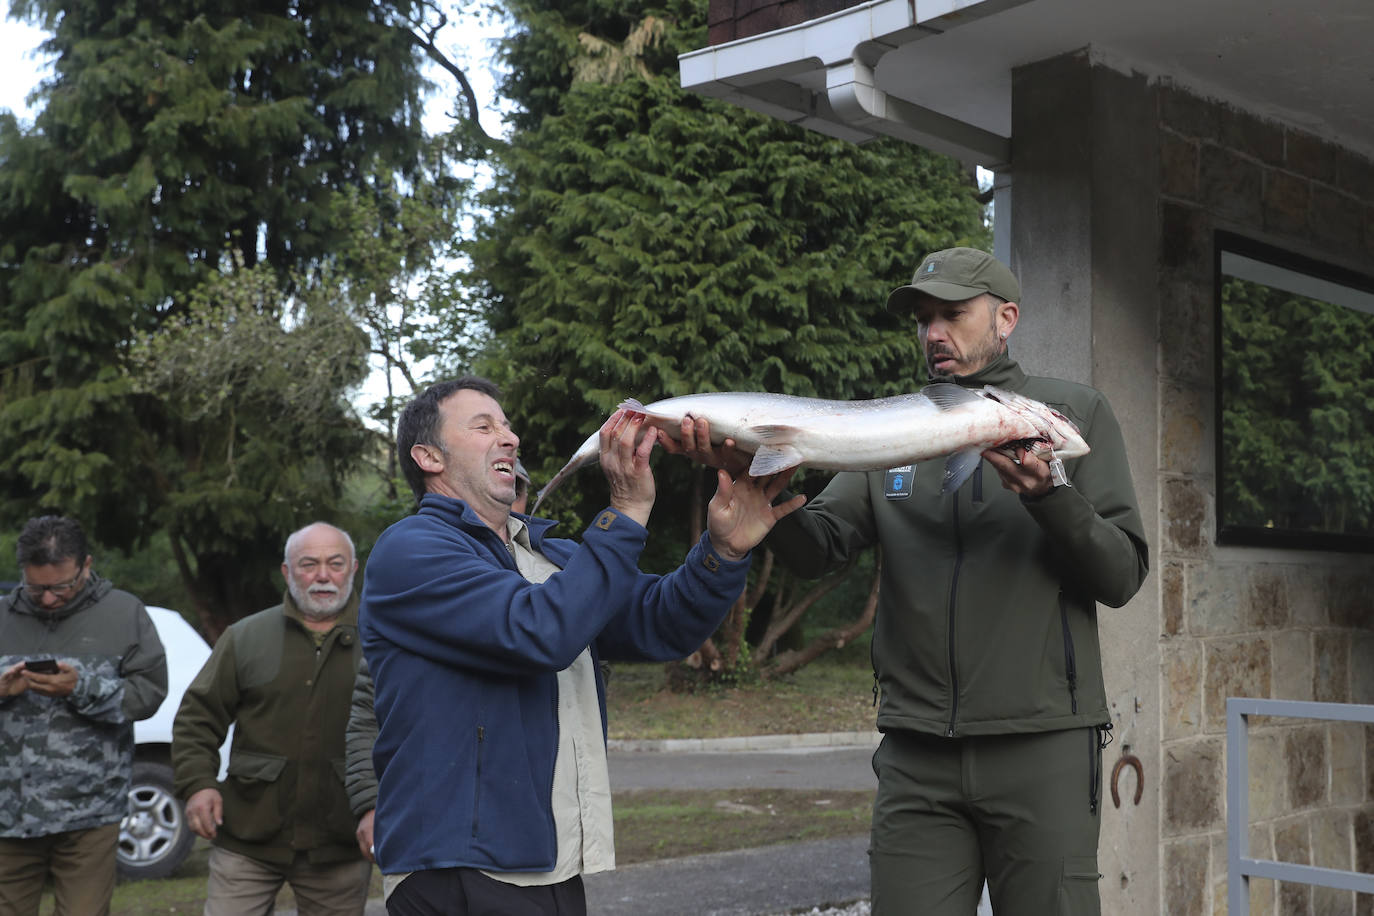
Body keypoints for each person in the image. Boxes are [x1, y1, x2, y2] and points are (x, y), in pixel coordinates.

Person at [669, 247, 1150, 915]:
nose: (933, 334)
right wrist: (765, 514)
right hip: (917, 755)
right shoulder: (892, 429)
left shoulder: (1070, 415)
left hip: (1042, 746)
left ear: (1005, 318)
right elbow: (822, 546)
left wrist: (1051, 497)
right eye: (924, 319)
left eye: (953, 314)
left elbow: (1122, 574)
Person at [359, 376, 801, 915]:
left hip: (552, 865)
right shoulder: (411, 550)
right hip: (458, 868)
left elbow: (659, 623)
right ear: (428, 456)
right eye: (483, 426)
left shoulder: (553, 558)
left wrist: (723, 553)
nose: (510, 437)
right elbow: (539, 632)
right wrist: (627, 510)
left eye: (507, 424)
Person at [172, 522, 372, 916]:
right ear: (287, 571)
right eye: (308, 564)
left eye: (335, 564)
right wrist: (198, 785)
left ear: (353, 569)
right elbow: (198, 717)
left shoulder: (382, 640)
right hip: (247, 835)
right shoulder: (246, 637)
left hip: (341, 840)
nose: (322, 576)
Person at [344, 457, 532, 865]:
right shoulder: (418, 563)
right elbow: (366, 715)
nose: (509, 502)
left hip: (536, 845)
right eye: (504, 487)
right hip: (446, 850)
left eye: (518, 492)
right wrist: (368, 802)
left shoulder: (552, 582)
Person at [0, 516, 168, 916]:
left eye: (61, 586)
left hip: (89, 816)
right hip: (8, 816)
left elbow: (149, 695)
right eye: (35, 586)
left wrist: (82, 688)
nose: (47, 599)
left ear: (86, 565)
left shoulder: (125, 614)